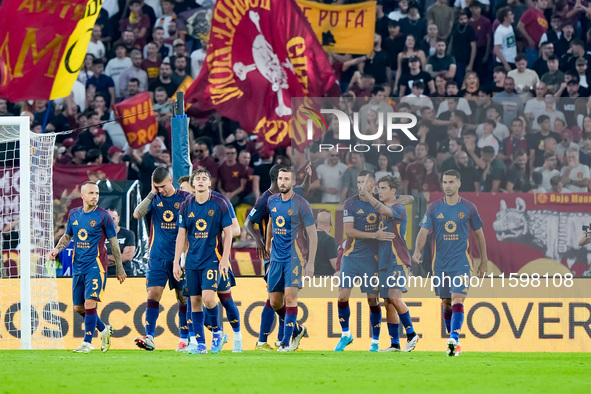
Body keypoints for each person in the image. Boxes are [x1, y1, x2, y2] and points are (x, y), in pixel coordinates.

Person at [412, 170, 488, 357]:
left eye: (451, 182)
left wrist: (483, 261)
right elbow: (423, 232)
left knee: (457, 298)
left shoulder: (469, 208)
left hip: (461, 263)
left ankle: (453, 337)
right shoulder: (434, 208)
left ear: (459, 184)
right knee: (446, 303)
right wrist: (417, 250)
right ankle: (454, 343)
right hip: (440, 265)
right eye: (445, 182)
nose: (447, 185)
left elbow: (479, 234)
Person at [48, 181, 126, 353]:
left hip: (96, 265)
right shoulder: (74, 214)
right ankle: (104, 329)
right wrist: (56, 249)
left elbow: (114, 243)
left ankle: (87, 343)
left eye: (97, 193)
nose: (95, 196)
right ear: (82, 195)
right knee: (79, 308)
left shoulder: (103, 216)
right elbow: (68, 236)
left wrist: (119, 268)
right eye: (91, 193)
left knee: (90, 301)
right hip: (78, 267)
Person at [244, 164, 310, 351]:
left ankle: (282, 339)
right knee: (273, 298)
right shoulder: (266, 199)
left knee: (280, 297)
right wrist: (259, 240)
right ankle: (270, 339)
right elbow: (248, 223)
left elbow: (303, 189)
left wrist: (308, 176)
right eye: (281, 178)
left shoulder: (290, 193)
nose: (284, 182)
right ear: (276, 179)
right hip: (272, 253)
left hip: (288, 253)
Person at [172, 169, 233, 355]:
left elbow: (228, 232)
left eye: (204, 178)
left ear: (209, 183)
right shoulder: (185, 206)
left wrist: (224, 259)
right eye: (197, 178)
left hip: (212, 259)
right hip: (191, 261)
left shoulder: (219, 203)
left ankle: (217, 333)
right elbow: (181, 235)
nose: (200, 181)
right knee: (195, 301)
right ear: (192, 184)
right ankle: (200, 344)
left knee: (208, 298)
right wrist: (176, 261)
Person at [132, 167, 192, 351]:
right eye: (157, 186)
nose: (160, 190)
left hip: (180, 257)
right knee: (153, 293)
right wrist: (151, 192)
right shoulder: (154, 197)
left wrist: (185, 257)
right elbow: (137, 214)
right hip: (157, 256)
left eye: (163, 186)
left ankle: (184, 339)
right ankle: (149, 336)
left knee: (182, 297)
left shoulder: (185, 198)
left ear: (171, 181)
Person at [357, 175, 418, 352]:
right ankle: (394, 344)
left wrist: (367, 194)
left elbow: (385, 211)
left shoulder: (398, 208)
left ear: (393, 191)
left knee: (394, 297)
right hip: (383, 261)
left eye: (383, 188)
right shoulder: (384, 206)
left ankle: (412, 334)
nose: (379, 191)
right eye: (378, 188)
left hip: (398, 259)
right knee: (388, 302)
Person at [335, 171, 389, 352]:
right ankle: (345, 335)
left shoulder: (378, 204)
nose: (360, 185)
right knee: (343, 296)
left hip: (371, 259)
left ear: (372, 184)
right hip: (351, 257)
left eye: (363, 182)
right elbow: (349, 231)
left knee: (373, 300)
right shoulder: (350, 203)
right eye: (358, 182)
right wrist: (375, 235)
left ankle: (375, 343)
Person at [266, 167, 317, 352]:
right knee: (275, 302)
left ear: (294, 182)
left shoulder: (301, 204)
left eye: (286, 179)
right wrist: (267, 244)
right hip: (276, 258)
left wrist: (310, 262)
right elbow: (271, 222)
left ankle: (286, 343)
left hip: (294, 257)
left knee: (290, 298)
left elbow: (313, 234)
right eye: (280, 178)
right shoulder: (272, 200)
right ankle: (296, 330)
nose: (283, 182)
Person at [105, 208, 136, 277]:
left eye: (113, 219)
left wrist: (107, 257)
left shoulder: (128, 234)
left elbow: (129, 256)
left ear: (118, 219)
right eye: (108, 219)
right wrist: (120, 258)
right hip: (105, 274)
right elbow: (97, 257)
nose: (110, 222)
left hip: (125, 274)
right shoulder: (100, 236)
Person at [314, 210, 338, 277]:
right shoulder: (329, 240)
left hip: (310, 279)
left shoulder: (309, 238)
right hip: (325, 280)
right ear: (331, 223)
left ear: (316, 222)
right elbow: (335, 266)